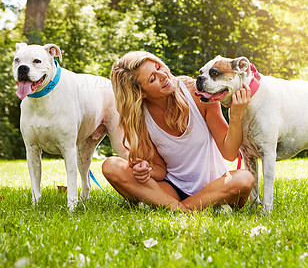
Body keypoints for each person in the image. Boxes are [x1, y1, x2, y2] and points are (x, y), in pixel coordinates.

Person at [102, 51, 254, 211]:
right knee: (111, 166)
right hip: (172, 189)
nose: (163, 75)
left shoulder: (198, 94)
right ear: (142, 93)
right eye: (152, 78)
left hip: (214, 188)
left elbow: (229, 153)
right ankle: (188, 208)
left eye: (158, 66)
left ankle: (175, 208)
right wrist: (146, 169)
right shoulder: (141, 117)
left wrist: (236, 115)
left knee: (243, 178)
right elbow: (160, 171)